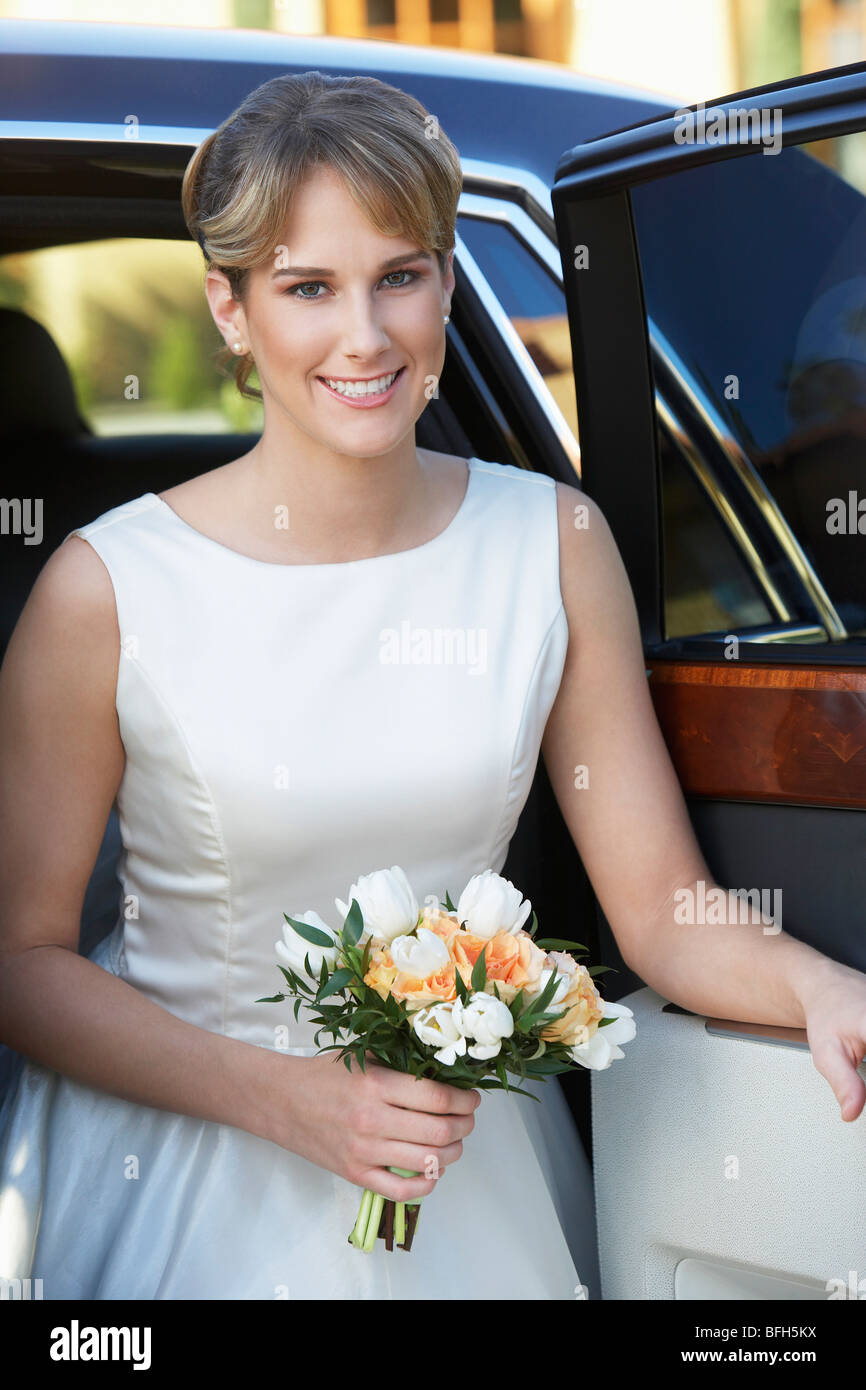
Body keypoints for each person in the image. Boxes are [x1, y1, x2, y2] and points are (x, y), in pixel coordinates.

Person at [0, 71, 864, 1302]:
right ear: (231, 311)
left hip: (467, 1168)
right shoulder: (105, 589)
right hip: (187, 1168)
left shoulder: (550, 545)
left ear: (447, 286)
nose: (365, 336)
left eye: (400, 275)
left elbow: (662, 912)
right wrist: (294, 1101)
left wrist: (819, 986)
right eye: (308, 288)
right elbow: (22, 961)